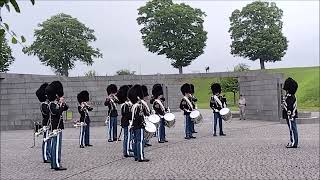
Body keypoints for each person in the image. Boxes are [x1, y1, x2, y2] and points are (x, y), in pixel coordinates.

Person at [45, 81, 68, 171]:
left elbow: (66, 108)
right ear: (55, 95)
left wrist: (62, 103)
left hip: (57, 127)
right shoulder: (51, 105)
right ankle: (57, 164)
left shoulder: (56, 104)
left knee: (55, 146)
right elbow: (57, 112)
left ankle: (54, 164)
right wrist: (61, 105)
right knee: (56, 146)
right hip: (56, 128)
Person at [128, 84, 150, 162]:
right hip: (139, 126)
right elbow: (140, 117)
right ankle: (141, 156)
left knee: (135, 141)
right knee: (140, 141)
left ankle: (136, 156)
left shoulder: (133, 106)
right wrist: (143, 123)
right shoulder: (138, 106)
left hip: (134, 126)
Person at [117, 85, 134, 157]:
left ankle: (128, 149)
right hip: (127, 122)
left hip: (127, 122)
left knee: (129, 137)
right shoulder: (125, 105)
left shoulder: (126, 104)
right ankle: (126, 152)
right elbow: (127, 114)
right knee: (127, 137)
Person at [36, 82, 51, 163]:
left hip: (49, 124)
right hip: (46, 124)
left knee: (48, 140)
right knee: (45, 140)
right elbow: (47, 113)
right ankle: (45, 157)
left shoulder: (47, 104)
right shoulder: (43, 105)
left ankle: (48, 155)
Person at [282, 77, 299, 148]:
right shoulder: (290, 96)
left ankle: (293, 142)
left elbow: (289, 107)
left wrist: (290, 115)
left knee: (292, 129)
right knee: (292, 128)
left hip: (290, 115)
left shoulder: (290, 96)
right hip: (290, 115)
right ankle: (293, 141)